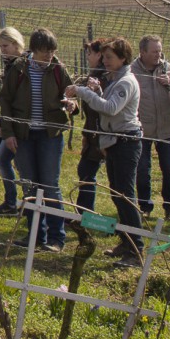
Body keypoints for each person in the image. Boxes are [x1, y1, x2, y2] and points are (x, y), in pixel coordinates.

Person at [66, 37, 144, 268]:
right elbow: (108, 100)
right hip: (114, 141)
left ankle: (136, 248)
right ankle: (126, 240)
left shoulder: (126, 82)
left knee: (125, 195)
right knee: (117, 193)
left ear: (123, 58)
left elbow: (111, 108)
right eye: (104, 57)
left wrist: (83, 92)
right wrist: (98, 90)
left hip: (126, 142)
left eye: (110, 57)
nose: (105, 61)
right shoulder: (115, 80)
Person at [0, 28, 74, 253]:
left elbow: (69, 95)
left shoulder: (59, 69)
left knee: (50, 185)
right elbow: (6, 100)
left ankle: (56, 237)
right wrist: (8, 133)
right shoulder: (18, 69)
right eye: (45, 52)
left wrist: (72, 105)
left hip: (50, 135)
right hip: (24, 136)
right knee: (29, 186)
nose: (49, 57)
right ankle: (35, 235)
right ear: (33, 50)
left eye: (52, 51)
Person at [131, 34, 170, 222]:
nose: (158, 55)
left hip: (167, 127)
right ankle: (145, 206)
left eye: (160, 51)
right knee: (143, 169)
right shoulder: (132, 71)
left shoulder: (168, 68)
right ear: (142, 52)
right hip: (143, 128)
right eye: (154, 52)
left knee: (169, 168)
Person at [0, 27, 26, 216]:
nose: (3, 50)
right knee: (3, 160)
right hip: (9, 124)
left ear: (16, 43)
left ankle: (23, 204)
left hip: (20, 126)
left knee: (19, 165)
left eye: (5, 46)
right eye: (0, 47)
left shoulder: (22, 64)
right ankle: (12, 202)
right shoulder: (10, 64)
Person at [75, 38, 109, 215]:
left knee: (88, 172)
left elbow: (99, 110)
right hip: (93, 134)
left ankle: (85, 214)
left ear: (99, 54)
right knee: (86, 171)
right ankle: (84, 214)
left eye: (90, 54)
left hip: (101, 134)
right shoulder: (96, 75)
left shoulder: (102, 78)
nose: (87, 57)